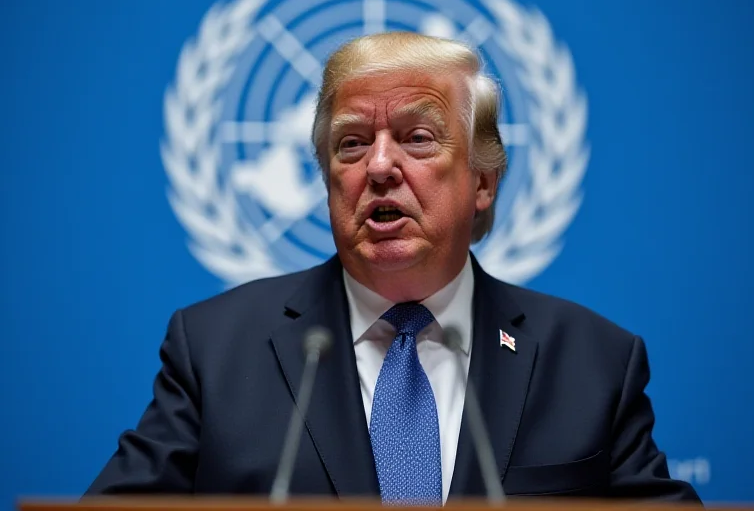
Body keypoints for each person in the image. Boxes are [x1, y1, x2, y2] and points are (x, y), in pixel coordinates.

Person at [86, 32, 701, 502]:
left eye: (418, 138)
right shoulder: (216, 350)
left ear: (482, 181)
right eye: (351, 143)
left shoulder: (593, 361)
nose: (379, 166)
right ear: (329, 177)